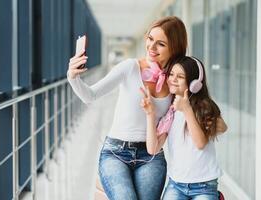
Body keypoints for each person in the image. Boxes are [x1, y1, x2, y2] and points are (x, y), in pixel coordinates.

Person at [67, 16, 188, 200]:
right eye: (150, 39)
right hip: (115, 153)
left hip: (151, 157)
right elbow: (89, 96)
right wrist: (72, 77)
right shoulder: (130, 67)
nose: (151, 47)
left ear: (174, 48)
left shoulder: (175, 81)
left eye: (160, 44)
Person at [140, 56, 227, 200]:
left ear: (194, 83)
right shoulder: (170, 112)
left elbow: (200, 143)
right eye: (172, 74)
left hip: (204, 185)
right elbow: (152, 148)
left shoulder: (203, 106)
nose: (173, 79)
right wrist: (150, 114)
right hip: (176, 184)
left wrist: (187, 109)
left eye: (180, 76)